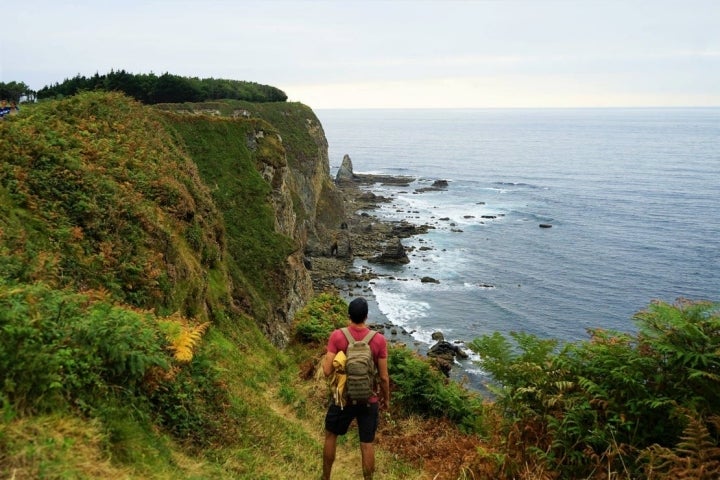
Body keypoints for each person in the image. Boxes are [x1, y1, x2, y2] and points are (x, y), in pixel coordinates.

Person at [322, 297, 390, 480]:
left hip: (343, 398)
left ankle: (325, 477)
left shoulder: (337, 336)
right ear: (366, 316)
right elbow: (383, 377)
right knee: (367, 444)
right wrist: (386, 400)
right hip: (369, 399)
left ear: (349, 315)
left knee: (331, 436)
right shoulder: (379, 340)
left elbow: (327, 371)